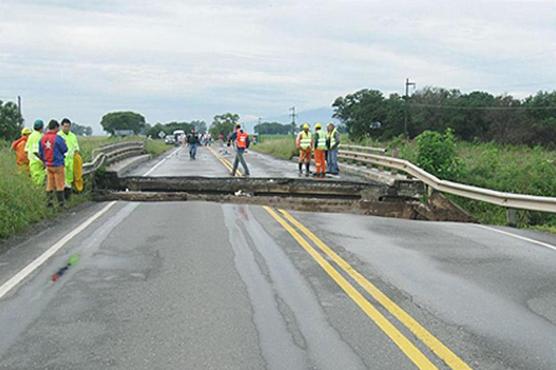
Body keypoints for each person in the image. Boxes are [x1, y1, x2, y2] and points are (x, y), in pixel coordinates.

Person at [39, 120, 68, 207]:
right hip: (58, 164)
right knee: (60, 184)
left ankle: (49, 203)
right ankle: (61, 204)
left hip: (48, 164)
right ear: (56, 128)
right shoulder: (58, 138)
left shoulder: (42, 138)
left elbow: (40, 152)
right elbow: (65, 149)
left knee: (49, 184)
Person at [58, 118, 80, 200]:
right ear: (61, 126)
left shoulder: (73, 136)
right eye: (65, 126)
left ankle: (68, 199)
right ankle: (62, 200)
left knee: (69, 181)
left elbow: (76, 148)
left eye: (68, 127)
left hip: (71, 162)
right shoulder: (58, 136)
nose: (66, 128)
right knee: (62, 182)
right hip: (62, 162)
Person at [25, 119, 46, 186]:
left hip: (31, 161)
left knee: (34, 179)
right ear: (41, 127)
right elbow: (36, 152)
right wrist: (44, 161)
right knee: (39, 181)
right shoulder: (40, 136)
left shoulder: (30, 136)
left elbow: (26, 150)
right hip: (38, 162)